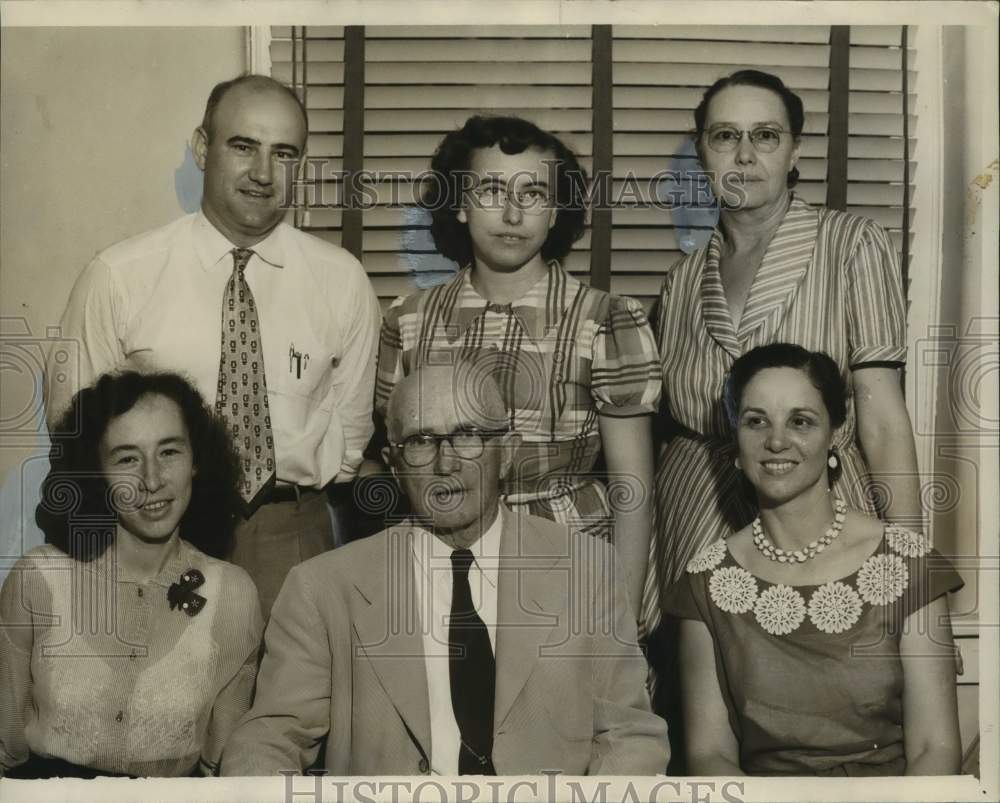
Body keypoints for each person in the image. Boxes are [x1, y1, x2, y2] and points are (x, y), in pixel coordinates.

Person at [221, 362, 669, 776]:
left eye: (468, 435)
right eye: (420, 441)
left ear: (507, 452)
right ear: (394, 466)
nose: (446, 462)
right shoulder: (322, 588)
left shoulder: (585, 569)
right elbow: (266, 741)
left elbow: (631, 736)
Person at [44, 74, 382, 616]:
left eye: (284, 153)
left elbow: (351, 440)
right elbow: (75, 430)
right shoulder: (118, 276)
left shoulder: (343, 282)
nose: (263, 173)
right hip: (153, 537)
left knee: (296, 699)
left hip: (292, 538)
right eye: (243, 146)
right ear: (203, 149)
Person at [647, 69, 924, 628]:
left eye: (765, 136)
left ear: (795, 151)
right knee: (699, 701)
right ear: (702, 152)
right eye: (725, 136)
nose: (744, 156)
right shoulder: (679, 283)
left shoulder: (851, 244)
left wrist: (910, 572)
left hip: (822, 520)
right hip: (695, 519)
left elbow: (884, 421)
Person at [366, 115, 660, 622]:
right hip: (442, 559)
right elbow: (397, 463)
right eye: (491, 189)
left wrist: (622, 616)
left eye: (533, 194)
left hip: (572, 560)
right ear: (459, 205)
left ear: (554, 213)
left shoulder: (607, 319)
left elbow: (632, 486)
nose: (511, 212)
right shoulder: (407, 321)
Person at [666, 343, 962, 776]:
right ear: (736, 437)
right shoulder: (706, 582)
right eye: (755, 421)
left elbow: (934, 751)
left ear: (834, 435)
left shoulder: (908, 565)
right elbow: (711, 757)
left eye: (800, 421)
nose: (777, 441)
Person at [0, 371, 263, 778]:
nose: (152, 480)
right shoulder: (38, 580)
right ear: (96, 471)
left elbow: (225, 773)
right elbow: (4, 747)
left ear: (197, 461)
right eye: (127, 458)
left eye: (170, 452)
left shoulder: (233, 594)